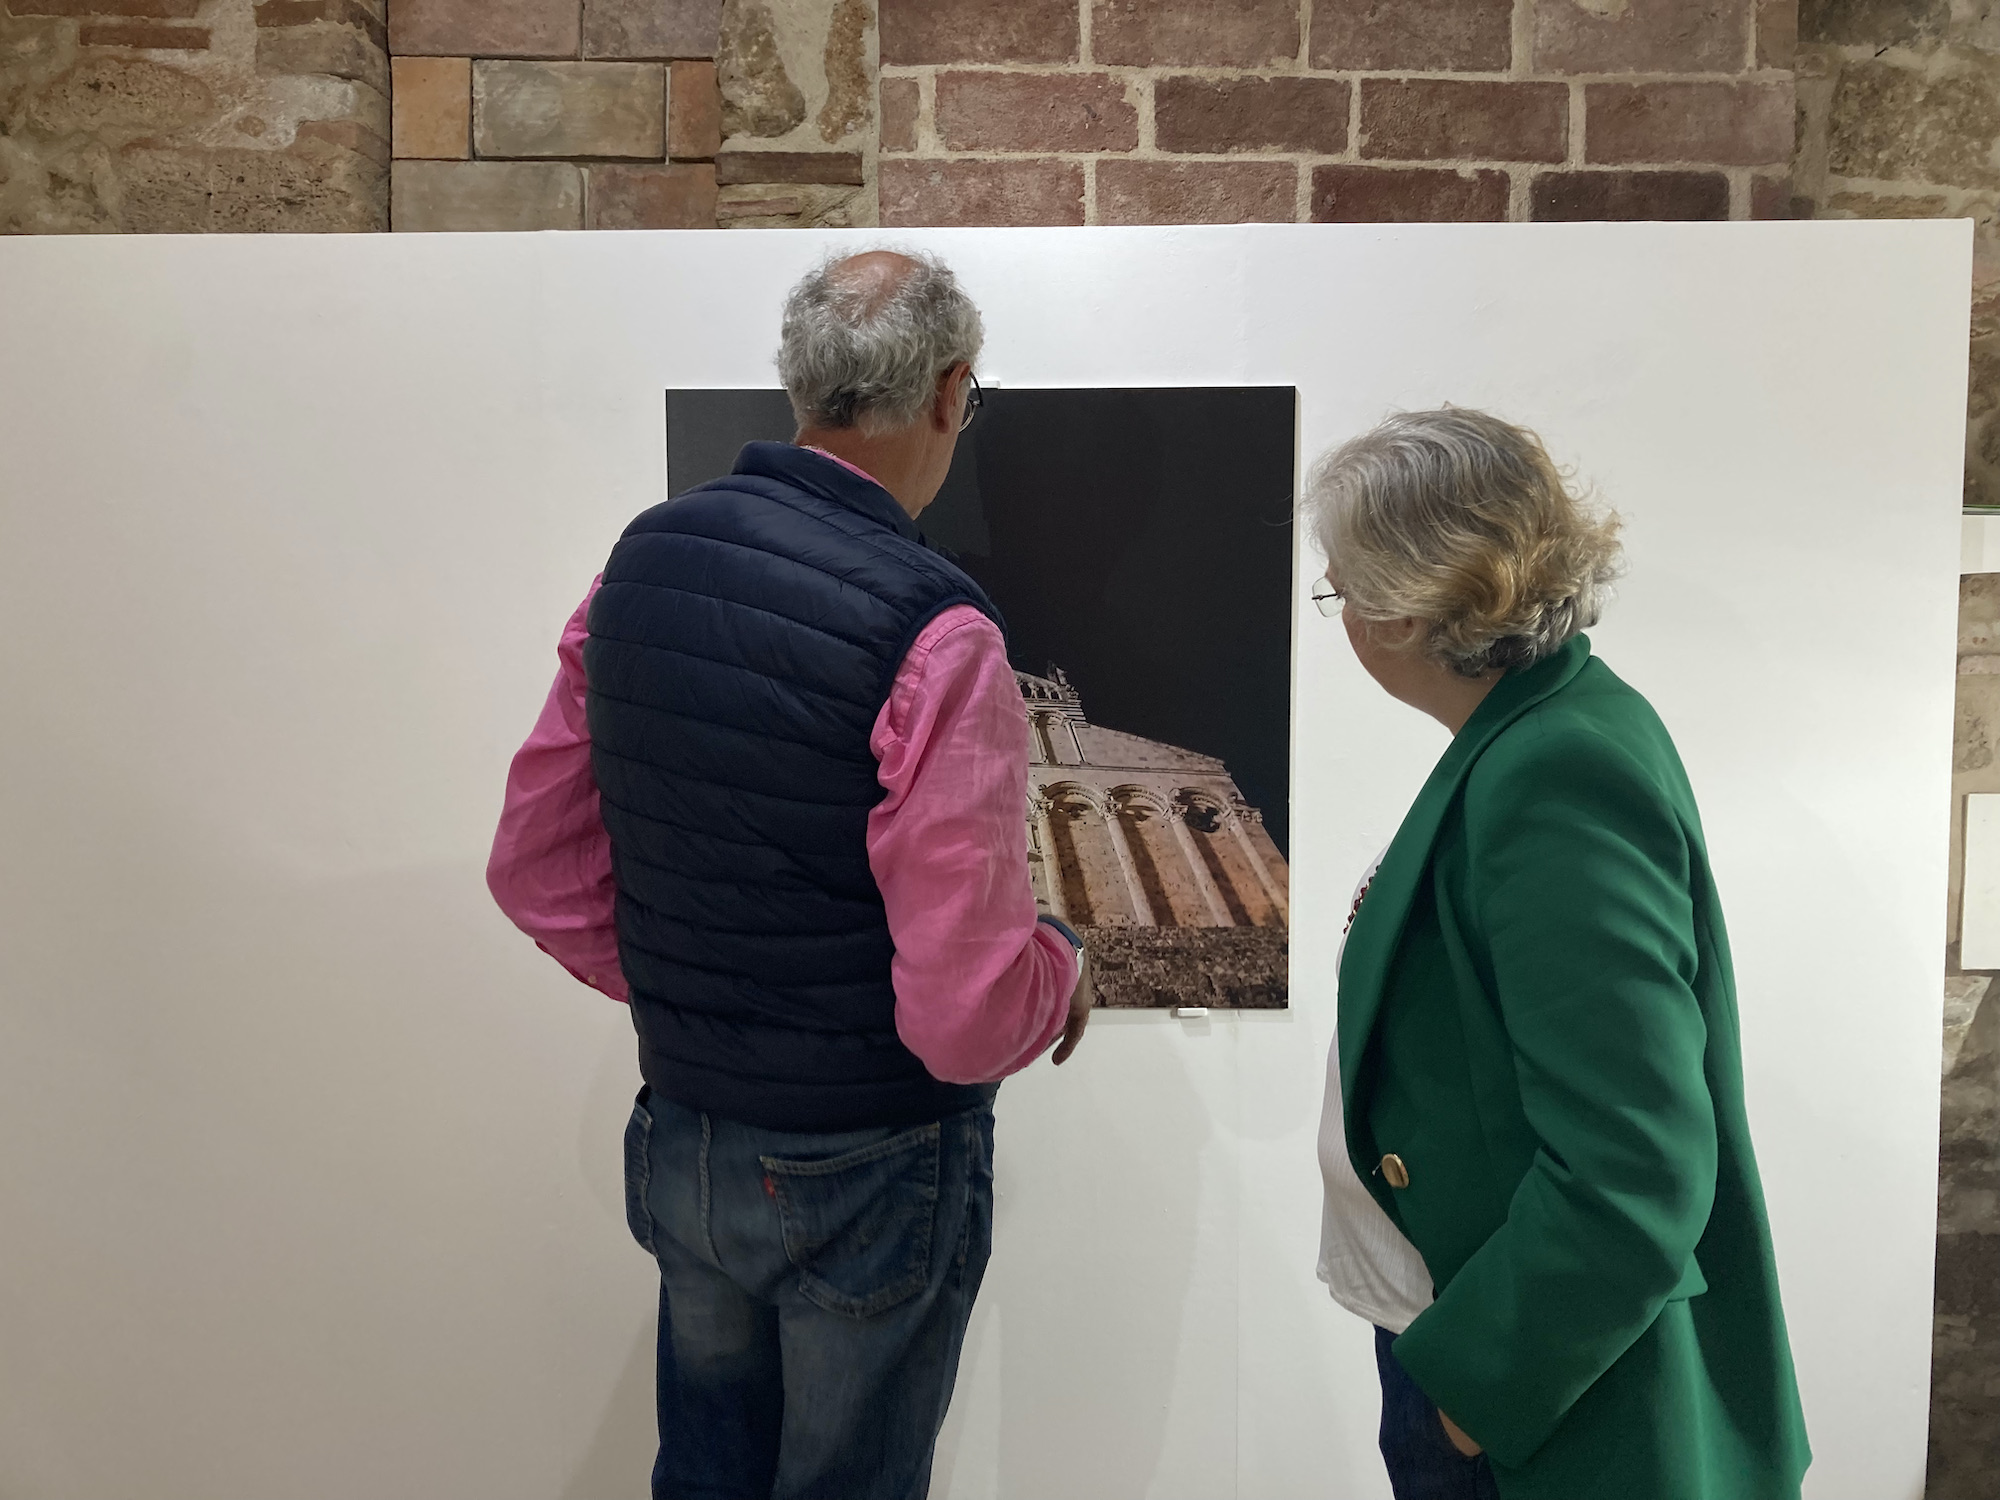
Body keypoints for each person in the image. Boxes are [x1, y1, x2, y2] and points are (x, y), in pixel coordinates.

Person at [485, 249, 1092, 1500]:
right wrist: (1058, 970)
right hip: (866, 1160)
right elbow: (965, 1013)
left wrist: (708, 992)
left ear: (798, 385)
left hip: (686, 1132)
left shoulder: (638, 564)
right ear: (949, 393)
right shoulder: (938, 629)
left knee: (705, 1474)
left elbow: (536, 867)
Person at [1305, 408, 1811, 1500]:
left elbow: (1634, 1165)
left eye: (1338, 591)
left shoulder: (1554, 769)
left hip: (1533, 1405)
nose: (1337, 614)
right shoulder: (1542, 727)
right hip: (1482, 1343)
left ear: (1404, 608)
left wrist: (1472, 1390)